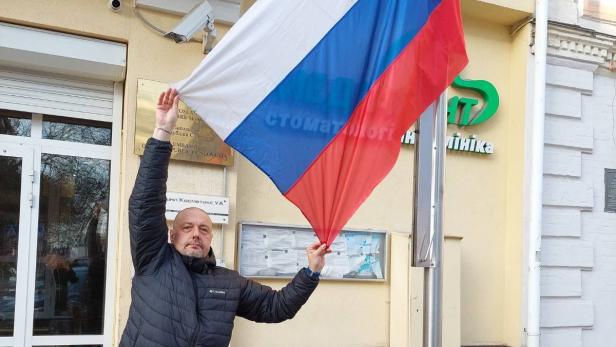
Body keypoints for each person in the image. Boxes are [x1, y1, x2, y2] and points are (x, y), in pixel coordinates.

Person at [120, 88, 331, 347]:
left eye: (204, 229)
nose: (196, 233)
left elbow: (276, 307)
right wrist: (162, 133)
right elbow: (145, 205)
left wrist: (311, 271)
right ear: (172, 235)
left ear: (211, 238)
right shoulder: (153, 260)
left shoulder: (229, 282)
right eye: (187, 227)